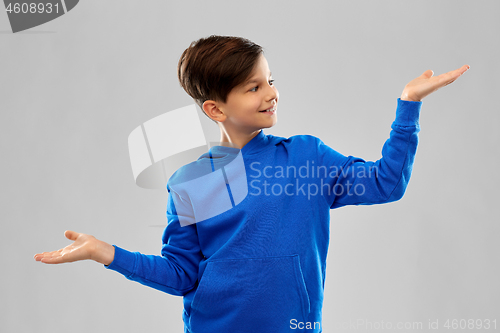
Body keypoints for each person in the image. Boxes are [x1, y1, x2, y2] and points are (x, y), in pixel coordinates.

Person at [34, 35, 469, 332]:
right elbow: (182, 274)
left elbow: (385, 183)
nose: (270, 94)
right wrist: (105, 253)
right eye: (253, 87)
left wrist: (407, 107)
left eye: (271, 81)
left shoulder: (306, 157)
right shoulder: (190, 183)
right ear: (215, 109)